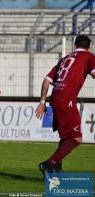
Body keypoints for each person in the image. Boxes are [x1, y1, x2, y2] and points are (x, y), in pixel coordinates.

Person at [35, 35, 95, 178]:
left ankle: (56, 169)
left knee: (65, 137)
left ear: (75, 45)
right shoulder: (89, 57)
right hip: (67, 100)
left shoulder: (65, 59)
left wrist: (42, 103)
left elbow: (46, 80)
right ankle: (48, 164)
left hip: (55, 98)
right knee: (76, 138)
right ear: (89, 47)